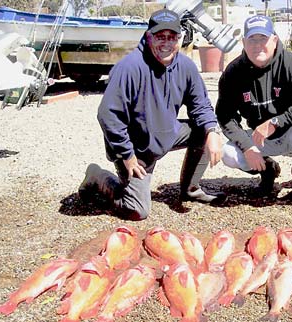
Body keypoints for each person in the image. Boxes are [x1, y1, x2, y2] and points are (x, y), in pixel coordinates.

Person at [79, 8, 225, 221]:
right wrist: (127, 156)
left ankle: (190, 189)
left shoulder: (186, 66)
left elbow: (201, 105)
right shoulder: (129, 68)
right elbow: (108, 115)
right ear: (148, 36)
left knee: (204, 130)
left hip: (166, 133)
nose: (166, 42)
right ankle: (97, 176)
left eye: (172, 37)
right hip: (135, 148)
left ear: (179, 38)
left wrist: (212, 131)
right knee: (137, 210)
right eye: (160, 36)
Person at [215, 15, 292, 215]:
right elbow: (225, 116)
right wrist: (247, 147)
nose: (258, 46)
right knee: (228, 154)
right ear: (244, 43)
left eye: (263, 39)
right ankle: (268, 172)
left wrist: (276, 121)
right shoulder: (233, 72)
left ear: (274, 40)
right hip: (261, 139)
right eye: (252, 40)